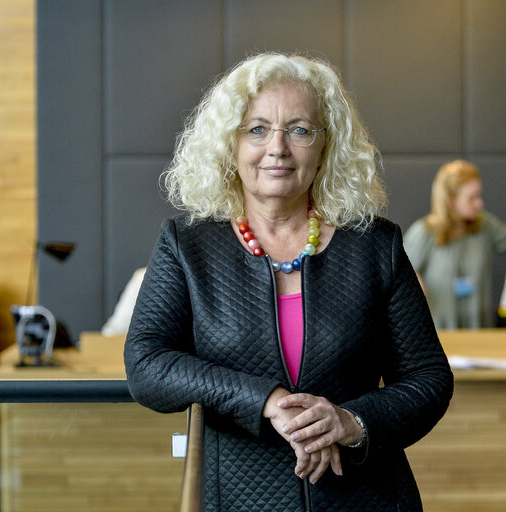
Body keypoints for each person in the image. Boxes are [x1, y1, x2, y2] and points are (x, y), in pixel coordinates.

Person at [123, 53, 453, 512]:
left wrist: (349, 421)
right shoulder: (187, 246)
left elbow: (428, 378)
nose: (277, 147)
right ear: (230, 144)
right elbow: (146, 364)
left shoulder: (376, 245)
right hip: (238, 498)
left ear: (325, 147)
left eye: (299, 130)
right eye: (257, 128)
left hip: (367, 498)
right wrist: (267, 400)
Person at [403, 159, 506, 329]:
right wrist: (413, 284)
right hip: (438, 335)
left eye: (479, 196)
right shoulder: (424, 232)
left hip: (479, 331)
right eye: (471, 198)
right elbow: (399, 277)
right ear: (451, 200)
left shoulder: (484, 227)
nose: (479, 203)